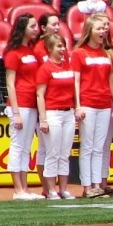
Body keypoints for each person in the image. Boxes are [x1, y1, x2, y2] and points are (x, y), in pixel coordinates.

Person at [71, 15, 113, 198]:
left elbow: (110, 80)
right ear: (89, 31)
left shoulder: (107, 53)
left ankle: (97, 185)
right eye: (98, 29)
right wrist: (77, 106)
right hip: (87, 103)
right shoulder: (79, 53)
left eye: (103, 29)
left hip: (104, 104)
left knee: (99, 146)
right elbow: (76, 81)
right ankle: (87, 186)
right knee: (87, 146)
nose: (102, 31)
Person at [3, 13, 41, 200]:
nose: (36, 29)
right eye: (32, 26)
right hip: (20, 104)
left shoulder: (31, 51)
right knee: (17, 146)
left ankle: (25, 189)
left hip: (32, 104)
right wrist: (16, 112)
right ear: (23, 28)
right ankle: (18, 189)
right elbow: (10, 83)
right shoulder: (13, 52)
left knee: (26, 147)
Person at [35, 34, 76, 200]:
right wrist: (43, 119)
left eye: (63, 46)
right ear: (50, 49)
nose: (62, 50)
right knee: (52, 153)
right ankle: (51, 189)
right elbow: (40, 95)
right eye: (58, 46)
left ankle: (63, 189)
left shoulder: (68, 66)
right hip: (53, 113)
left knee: (64, 153)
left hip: (68, 113)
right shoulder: (45, 68)